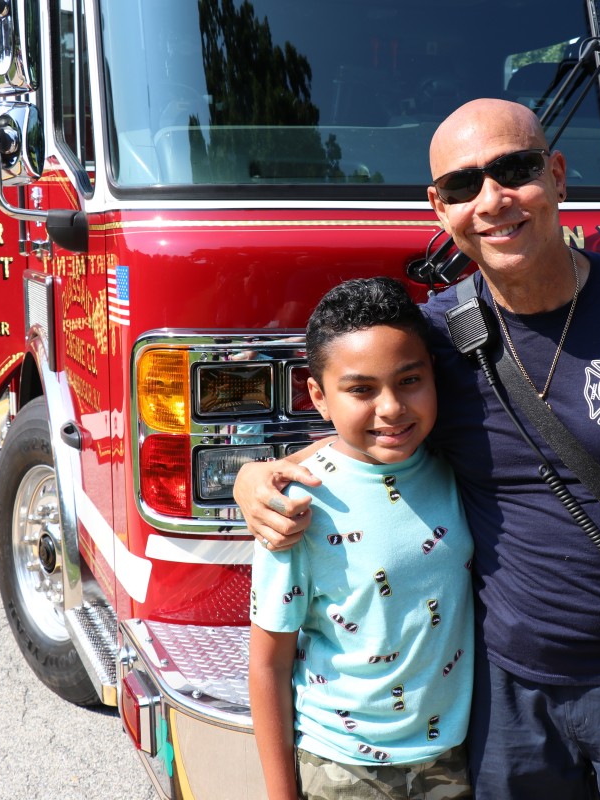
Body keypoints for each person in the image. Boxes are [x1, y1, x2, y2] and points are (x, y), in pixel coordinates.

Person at [237, 98, 600, 800]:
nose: (492, 200)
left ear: (556, 175)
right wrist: (256, 476)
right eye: (463, 186)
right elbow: (367, 419)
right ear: (439, 208)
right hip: (500, 704)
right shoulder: (433, 339)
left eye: (514, 170)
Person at [249, 276, 475, 800]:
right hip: (342, 770)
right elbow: (268, 662)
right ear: (319, 396)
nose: (392, 407)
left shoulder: (458, 467)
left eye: (409, 380)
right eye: (360, 390)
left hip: (453, 759)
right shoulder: (295, 505)